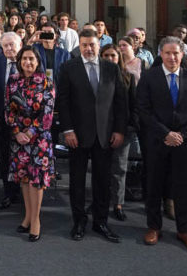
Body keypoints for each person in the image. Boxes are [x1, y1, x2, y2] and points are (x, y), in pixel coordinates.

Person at [56, 28, 127, 243]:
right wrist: (68, 130)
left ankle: (101, 222)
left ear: (99, 45)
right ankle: (79, 221)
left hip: (105, 135)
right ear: (79, 46)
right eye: (84, 45)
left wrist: (119, 130)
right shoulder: (69, 68)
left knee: (102, 181)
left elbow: (121, 102)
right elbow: (63, 102)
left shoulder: (111, 68)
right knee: (77, 181)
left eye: (92, 45)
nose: (88, 48)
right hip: (77, 135)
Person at [136, 36, 187, 253]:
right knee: (154, 186)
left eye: (176, 53)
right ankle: (153, 227)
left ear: (182, 54)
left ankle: (184, 230)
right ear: (161, 54)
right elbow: (143, 110)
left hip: (183, 143)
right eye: (167, 53)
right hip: (157, 142)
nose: (172, 57)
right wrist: (166, 133)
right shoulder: (149, 77)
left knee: (181, 188)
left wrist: (182, 135)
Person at [5, 47, 54, 242]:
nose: (28, 62)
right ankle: (27, 216)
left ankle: (35, 220)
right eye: (24, 58)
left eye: (31, 59)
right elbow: (8, 109)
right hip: (19, 139)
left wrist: (30, 132)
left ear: (38, 61)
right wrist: (17, 132)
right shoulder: (12, 81)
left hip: (39, 139)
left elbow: (47, 113)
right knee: (24, 178)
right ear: (19, 61)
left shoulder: (46, 82)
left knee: (36, 180)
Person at [101, 43, 139, 222]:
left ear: (119, 58)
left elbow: (133, 105)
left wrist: (126, 128)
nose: (110, 59)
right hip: (101, 130)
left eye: (113, 56)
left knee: (120, 169)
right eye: (106, 56)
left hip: (122, 131)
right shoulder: (96, 76)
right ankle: (100, 201)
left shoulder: (128, 77)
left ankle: (118, 204)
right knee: (102, 168)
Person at [0, 32, 23, 209]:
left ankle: (25, 193)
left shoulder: (29, 60)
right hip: (2, 120)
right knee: (5, 158)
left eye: (12, 45)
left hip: (25, 122)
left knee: (24, 157)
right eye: (5, 46)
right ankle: (9, 193)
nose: (9, 48)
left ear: (20, 45)